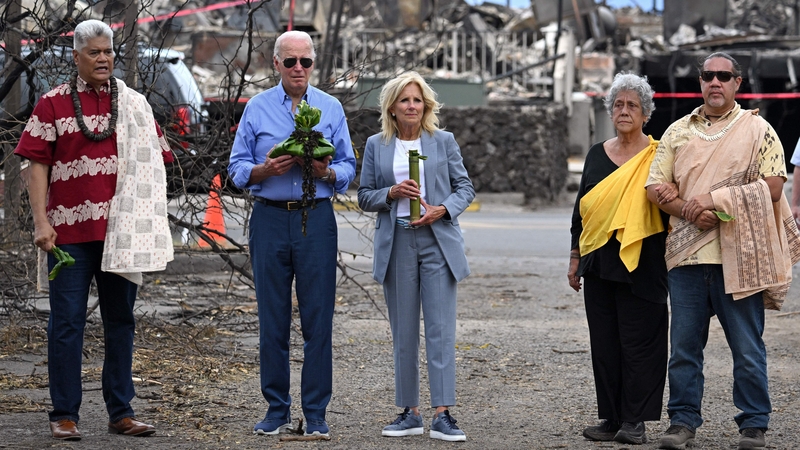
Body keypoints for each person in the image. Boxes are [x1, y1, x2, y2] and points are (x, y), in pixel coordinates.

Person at [14, 19, 174, 440]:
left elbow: (157, 161)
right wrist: (41, 222)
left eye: (108, 52)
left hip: (122, 234)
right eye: (94, 53)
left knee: (121, 320)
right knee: (66, 323)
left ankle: (121, 411)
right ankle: (64, 413)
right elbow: (35, 165)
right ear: (77, 56)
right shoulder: (51, 104)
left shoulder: (133, 103)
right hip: (67, 235)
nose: (104, 59)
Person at [645, 52, 800, 450]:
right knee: (683, 350)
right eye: (708, 76)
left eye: (723, 76)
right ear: (700, 82)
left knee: (748, 348)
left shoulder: (759, 130)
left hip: (741, 254)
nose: (715, 82)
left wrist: (715, 200)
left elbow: (774, 187)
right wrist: (689, 210)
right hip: (688, 260)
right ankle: (682, 423)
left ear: (737, 83)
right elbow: (655, 187)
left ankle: (753, 425)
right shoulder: (677, 131)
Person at [227, 30, 356, 438]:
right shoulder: (257, 108)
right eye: (290, 61)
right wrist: (261, 172)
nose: (298, 69)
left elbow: (351, 166)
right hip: (269, 217)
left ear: (314, 64)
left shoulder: (331, 107)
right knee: (273, 318)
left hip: (316, 216)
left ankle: (315, 412)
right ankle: (276, 408)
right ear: (276, 64)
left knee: (319, 319)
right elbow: (235, 168)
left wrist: (329, 172)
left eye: (306, 62)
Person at [357, 71, 475, 442]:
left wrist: (443, 209)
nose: (412, 105)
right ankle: (409, 412)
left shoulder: (443, 141)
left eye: (418, 100)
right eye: (405, 100)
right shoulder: (377, 144)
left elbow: (465, 188)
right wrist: (390, 192)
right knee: (404, 332)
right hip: (397, 243)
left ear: (426, 106)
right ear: (392, 107)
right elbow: (363, 196)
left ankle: (443, 413)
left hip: (437, 241)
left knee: (440, 330)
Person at [568, 72, 670, 445]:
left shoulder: (659, 156)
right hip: (598, 263)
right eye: (618, 104)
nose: (624, 110)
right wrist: (574, 257)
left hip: (644, 264)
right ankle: (611, 418)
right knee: (606, 343)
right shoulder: (597, 154)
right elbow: (581, 211)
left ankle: (635, 422)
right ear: (610, 110)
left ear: (646, 114)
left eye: (632, 105)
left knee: (640, 342)